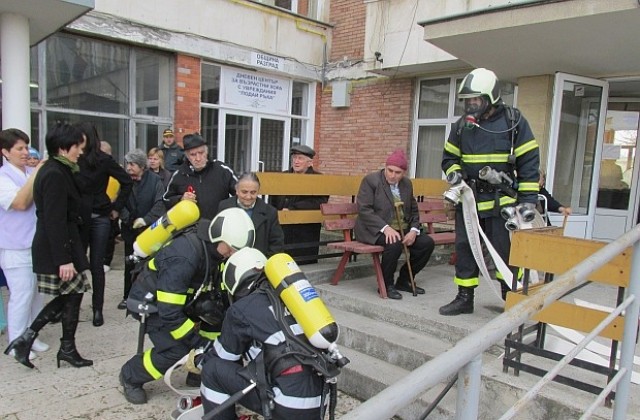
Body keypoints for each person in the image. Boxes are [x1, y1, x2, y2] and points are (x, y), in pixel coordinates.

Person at [119, 208, 255, 405]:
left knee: (217, 324)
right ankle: (131, 375)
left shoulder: (215, 250)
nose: (233, 254)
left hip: (184, 300)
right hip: (152, 304)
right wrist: (196, 342)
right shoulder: (184, 255)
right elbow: (170, 313)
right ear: (218, 236)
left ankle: (198, 371)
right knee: (177, 349)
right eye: (232, 249)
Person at [439, 68, 540, 316]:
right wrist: (454, 173)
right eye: (467, 100)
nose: (470, 105)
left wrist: (527, 201)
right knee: (465, 249)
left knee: (505, 253)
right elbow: (449, 157)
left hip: (502, 202)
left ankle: (510, 296)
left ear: (491, 98)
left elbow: (529, 161)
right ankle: (464, 298)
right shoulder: (462, 126)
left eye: (476, 99)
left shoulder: (513, 122)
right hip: (470, 200)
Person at [199, 247, 326, 419]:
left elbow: (224, 358)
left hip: (288, 404)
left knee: (211, 370)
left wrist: (200, 359)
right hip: (320, 400)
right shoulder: (291, 298)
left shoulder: (240, 309)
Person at [4, 122, 93, 369]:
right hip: (59, 247)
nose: (81, 152)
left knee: (72, 295)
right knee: (71, 295)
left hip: (65, 244)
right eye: (78, 147)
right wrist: (63, 259)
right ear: (65, 148)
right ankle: (33, 340)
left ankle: (49, 343)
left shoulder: (60, 169)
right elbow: (53, 219)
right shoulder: (54, 173)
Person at [354, 150, 435, 300]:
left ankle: (404, 280)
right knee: (394, 242)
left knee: (426, 243)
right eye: (389, 170)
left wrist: (413, 230)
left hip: (402, 229)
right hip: (374, 230)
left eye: (397, 172)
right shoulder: (371, 181)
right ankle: (386, 284)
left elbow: (414, 210)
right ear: (385, 167)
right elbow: (364, 209)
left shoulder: (406, 184)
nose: (392, 175)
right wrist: (385, 228)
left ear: (404, 173)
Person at [75, 122, 133, 327]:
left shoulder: (103, 160)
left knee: (96, 265)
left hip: (100, 216)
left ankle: (97, 310)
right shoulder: (73, 159)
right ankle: (74, 308)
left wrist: (117, 207)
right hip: (79, 218)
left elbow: (127, 181)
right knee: (79, 264)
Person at [0, 129, 48, 360]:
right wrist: (36, 173)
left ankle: (31, 336)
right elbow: (19, 203)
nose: (24, 152)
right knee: (21, 295)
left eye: (26, 147)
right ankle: (17, 342)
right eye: (19, 148)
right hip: (15, 247)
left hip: (36, 244)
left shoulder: (30, 171)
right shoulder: (3, 177)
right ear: (5, 152)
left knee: (36, 294)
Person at [116, 149, 167, 310]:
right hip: (130, 229)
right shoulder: (124, 180)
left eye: (132, 164)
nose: (129, 167)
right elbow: (119, 201)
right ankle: (127, 296)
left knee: (150, 264)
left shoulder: (155, 181)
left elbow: (160, 203)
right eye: (127, 164)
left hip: (149, 230)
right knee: (130, 262)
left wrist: (146, 220)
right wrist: (127, 218)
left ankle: (149, 295)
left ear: (141, 166)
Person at [269, 145, 328, 264]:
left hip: (305, 229)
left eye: (300, 158)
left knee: (304, 261)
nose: (296, 161)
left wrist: (294, 208)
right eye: (294, 158)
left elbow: (320, 201)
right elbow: (273, 197)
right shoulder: (283, 176)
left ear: (310, 163)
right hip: (283, 227)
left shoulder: (318, 179)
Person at [163, 133, 237, 220]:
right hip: (191, 229)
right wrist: (180, 199)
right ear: (187, 156)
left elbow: (241, 193)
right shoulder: (178, 174)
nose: (198, 158)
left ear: (207, 152)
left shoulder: (223, 170)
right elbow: (165, 199)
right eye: (193, 155)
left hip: (219, 225)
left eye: (201, 153)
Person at [218, 172, 284, 257]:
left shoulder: (270, 212)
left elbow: (277, 245)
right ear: (236, 190)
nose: (248, 197)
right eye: (244, 192)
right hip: (229, 262)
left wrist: (263, 264)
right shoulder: (224, 206)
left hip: (258, 265)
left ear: (258, 191)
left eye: (253, 192)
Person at [100, 141, 121, 274]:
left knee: (109, 237)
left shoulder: (114, 168)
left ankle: (107, 261)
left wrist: (116, 205)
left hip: (111, 206)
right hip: (98, 206)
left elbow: (123, 186)